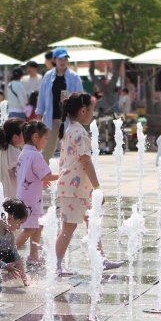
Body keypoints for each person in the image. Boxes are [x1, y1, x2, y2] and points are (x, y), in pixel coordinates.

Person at [54, 92, 123, 276]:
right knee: (69, 227)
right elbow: (86, 161)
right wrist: (98, 187)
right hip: (74, 189)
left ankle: (100, 259)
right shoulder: (79, 132)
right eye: (92, 109)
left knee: (91, 221)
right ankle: (56, 264)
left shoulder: (71, 129)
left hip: (77, 187)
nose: (93, 113)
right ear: (83, 110)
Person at [15, 121, 58, 265]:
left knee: (39, 224)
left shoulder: (24, 153)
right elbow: (46, 175)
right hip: (31, 200)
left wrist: (41, 180)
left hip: (26, 196)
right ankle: (7, 253)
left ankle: (34, 255)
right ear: (35, 137)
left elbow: (29, 174)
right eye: (45, 138)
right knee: (29, 229)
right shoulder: (36, 155)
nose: (46, 141)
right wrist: (63, 174)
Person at [36, 47, 83, 161]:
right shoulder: (48, 76)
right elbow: (42, 96)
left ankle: (69, 176)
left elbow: (81, 96)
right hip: (50, 119)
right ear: (54, 60)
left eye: (65, 59)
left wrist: (71, 99)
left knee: (70, 150)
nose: (63, 62)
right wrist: (39, 115)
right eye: (60, 59)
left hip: (68, 119)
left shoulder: (74, 76)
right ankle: (43, 177)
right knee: (47, 150)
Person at [0, 118, 24, 196]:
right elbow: (22, 173)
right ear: (15, 137)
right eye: (25, 134)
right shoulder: (15, 153)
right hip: (12, 193)